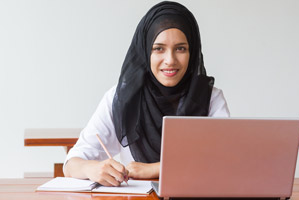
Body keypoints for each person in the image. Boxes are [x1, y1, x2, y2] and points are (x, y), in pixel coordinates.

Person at [63, 1, 230, 187]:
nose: (170, 60)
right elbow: (71, 164)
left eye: (180, 48)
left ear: (192, 52)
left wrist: (154, 169)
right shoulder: (122, 98)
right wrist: (92, 169)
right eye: (158, 48)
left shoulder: (210, 98)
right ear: (145, 51)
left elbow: (224, 162)